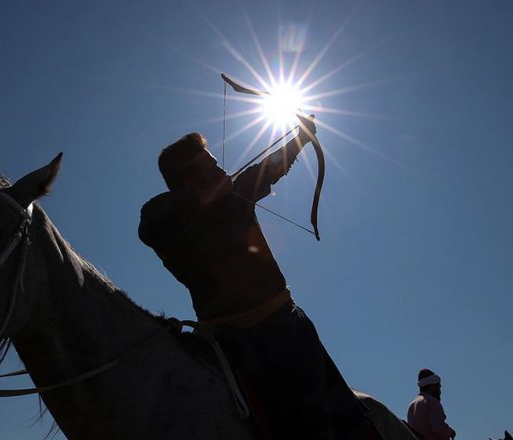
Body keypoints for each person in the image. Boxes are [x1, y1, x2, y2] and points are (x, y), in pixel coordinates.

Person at [138, 114, 369, 439]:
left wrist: (304, 135)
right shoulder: (167, 224)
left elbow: (273, 164)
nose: (222, 171)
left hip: (283, 329)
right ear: (190, 182)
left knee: (316, 425)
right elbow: (148, 224)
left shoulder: (235, 195)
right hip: (225, 342)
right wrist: (198, 200)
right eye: (212, 166)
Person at [406, 369, 457, 440]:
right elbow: (439, 427)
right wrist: (451, 432)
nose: (440, 391)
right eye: (439, 387)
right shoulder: (432, 402)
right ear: (433, 387)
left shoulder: (411, 405)